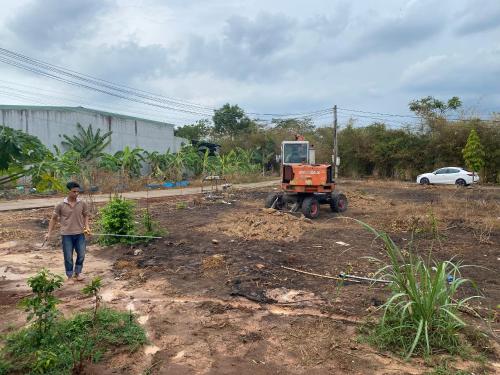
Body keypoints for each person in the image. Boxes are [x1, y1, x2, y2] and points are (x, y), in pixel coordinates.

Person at [45, 181, 90, 281]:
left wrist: (87, 226)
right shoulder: (60, 205)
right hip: (66, 235)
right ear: (68, 191)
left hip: (80, 234)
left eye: (78, 192)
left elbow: (86, 215)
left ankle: (77, 273)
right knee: (68, 257)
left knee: (81, 255)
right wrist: (49, 233)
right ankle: (69, 276)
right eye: (74, 192)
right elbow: (53, 219)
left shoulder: (82, 203)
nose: (76, 194)